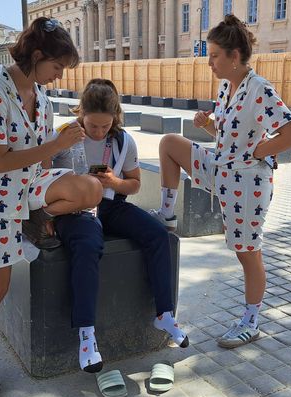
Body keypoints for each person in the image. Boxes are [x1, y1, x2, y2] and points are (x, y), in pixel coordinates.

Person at [0, 17, 101, 397]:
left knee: (90, 189)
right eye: (56, 67)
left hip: (27, 189)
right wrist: (56, 145)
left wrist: (56, 181)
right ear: (37, 56)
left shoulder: (42, 98)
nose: (58, 77)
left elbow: (39, 162)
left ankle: (39, 219)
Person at [151, 15, 291, 349]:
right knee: (170, 144)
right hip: (220, 168)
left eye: (215, 55)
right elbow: (228, 135)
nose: (210, 63)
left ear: (235, 57)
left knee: (248, 253)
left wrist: (260, 150)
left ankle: (251, 321)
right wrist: (208, 126)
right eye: (209, 55)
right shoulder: (225, 86)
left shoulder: (259, 89)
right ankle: (167, 214)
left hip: (247, 185)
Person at [51, 79, 189, 373]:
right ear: (81, 114)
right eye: (93, 126)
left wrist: (114, 182)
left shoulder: (123, 140)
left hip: (111, 204)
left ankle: (164, 313)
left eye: (105, 126)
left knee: (157, 234)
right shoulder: (63, 136)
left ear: (115, 118)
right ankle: (86, 335)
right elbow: (44, 179)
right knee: (88, 246)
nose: (99, 132)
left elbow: (135, 184)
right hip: (75, 210)